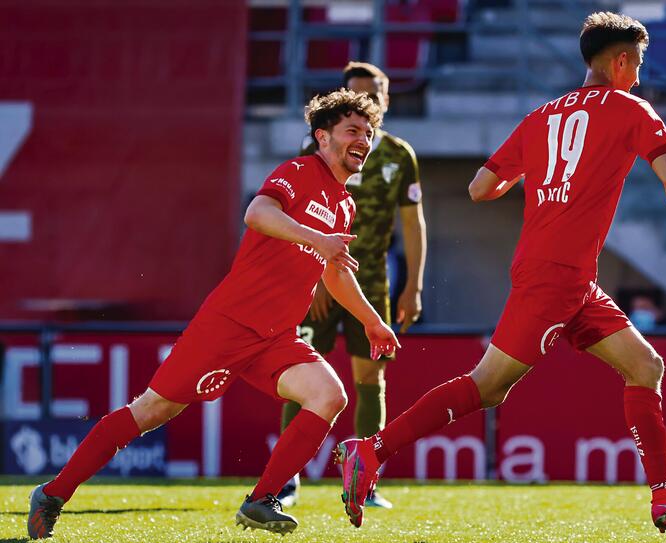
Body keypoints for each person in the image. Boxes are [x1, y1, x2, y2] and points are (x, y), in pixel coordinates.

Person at [333, 12, 666, 535]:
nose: (638, 75)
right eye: (635, 63)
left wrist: (538, 183)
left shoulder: (543, 115)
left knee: (646, 367)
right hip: (556, 277)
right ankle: (371, 450)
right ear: (619, 62)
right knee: (487, 388)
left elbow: (481, 187)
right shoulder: (631, 108)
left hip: (566, 275)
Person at [26, 90, 399, 539]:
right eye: (352, 131)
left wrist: (372, 320)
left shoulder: (345, 203)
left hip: (276, 335)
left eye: (369, 133)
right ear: (322, 137)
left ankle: (261, 500)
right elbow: (257, 212)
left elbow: (335, 273)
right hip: (229, 323)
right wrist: (316, 238)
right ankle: (52, 493)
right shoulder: (299, 171)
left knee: (329, 395)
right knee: (151, 410)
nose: (363, 139)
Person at [278, 61, 426, 510]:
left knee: (369, 377)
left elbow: (413, 221)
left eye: (373, 94)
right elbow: (301, 215)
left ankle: (365, 479)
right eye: (356, 94)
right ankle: (285, 479)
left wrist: (413, 285)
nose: (366, 102)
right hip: (315, 273)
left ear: (386, 99)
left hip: (373, 280)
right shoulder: (316, 147)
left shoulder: (399, 155)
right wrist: (316, 272)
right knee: (304, 375)